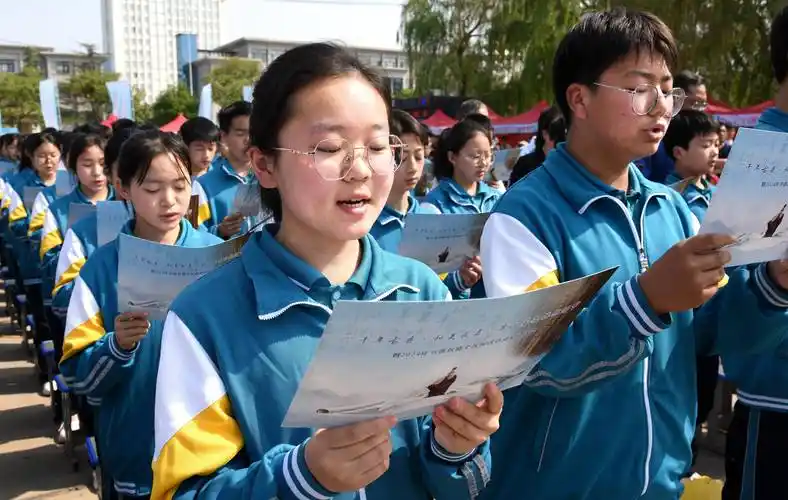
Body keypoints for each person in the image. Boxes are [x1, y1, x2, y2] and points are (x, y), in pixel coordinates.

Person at [150, 43, 502, 500]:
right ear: (264, 164)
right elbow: (186, 492)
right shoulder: (204, 318)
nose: (360, 170)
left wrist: (454, 449)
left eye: (378, 146)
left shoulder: (420, 290)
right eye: (330, 147)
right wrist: (301, 477)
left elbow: (455, 484)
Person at [478, 8, 788, 499]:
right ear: (579, 98)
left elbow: (718, 334)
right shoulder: (523, 218)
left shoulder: (672, 211)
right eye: (640, 88)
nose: (663, 106)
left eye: (668, 89)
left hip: (660, 484)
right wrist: (644, 302)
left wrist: (775, 283)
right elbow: (537, 363)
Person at [59, 130, 223, 499]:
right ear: (123, 188)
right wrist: (116, 346)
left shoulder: (218, 258)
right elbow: (77, 376)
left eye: (181, 186)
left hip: (211, 449)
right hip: (135, 446)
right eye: (152, 189)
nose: (169, 201)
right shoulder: (101, 269)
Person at [424, 119, 502, 299]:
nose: (483, 163)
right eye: (475, 156)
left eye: (488, 155)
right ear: (452, 157)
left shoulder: (496, 198)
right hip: (458, 308)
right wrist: (460, 279)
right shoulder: (435, 205)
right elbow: (429, 275)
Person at [370, 109, 439, 252]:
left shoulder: (430, 218)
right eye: (403, 158)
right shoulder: (365, 225)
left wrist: (461, 275)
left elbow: (440, 272)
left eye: (419, 157)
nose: (413, 167)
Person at [636, 70, 708, 183]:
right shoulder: (654, 136)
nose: (700, 111)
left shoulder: (701, 138)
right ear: (675, 99)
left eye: (703, 104)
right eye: (694, 103)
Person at [196, 101, 254, 239]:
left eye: (253, 133)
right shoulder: (201, 186)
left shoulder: (272, 178)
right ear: (224, 137)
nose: (248, 140)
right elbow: (194, 234)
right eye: (241, 134)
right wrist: (220, 231)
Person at [509, 106, 566, 184]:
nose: (563, 143)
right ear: (545, 134)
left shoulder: (573, 166)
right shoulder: (525, 166)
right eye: (559, 138)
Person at [180, 116, 220, 226]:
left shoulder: (219, 179)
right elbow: (193, 223)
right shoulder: (176, 178)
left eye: (211, 148)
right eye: (199, 148)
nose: (206, 155)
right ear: (185, 146)